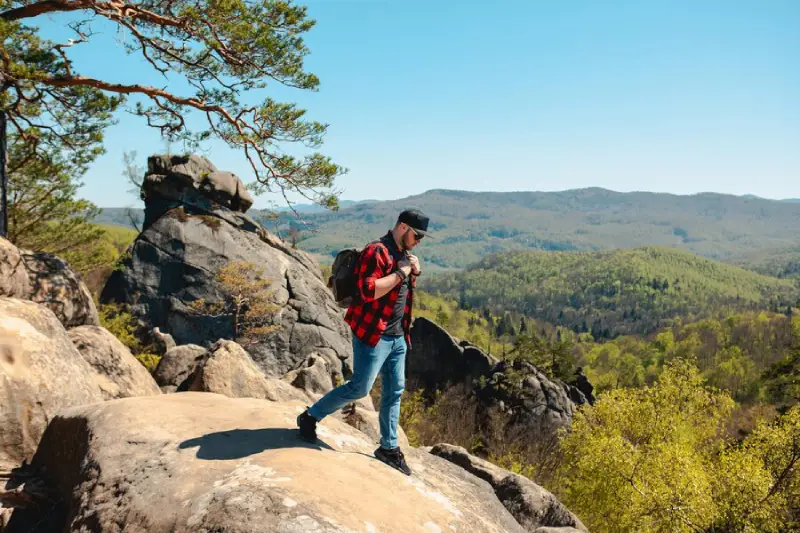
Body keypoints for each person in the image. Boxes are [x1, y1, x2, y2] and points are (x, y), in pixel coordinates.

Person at [296, 208, 431, 476]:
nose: (419, 242)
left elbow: (400, 290)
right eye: (417, 236)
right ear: (403, 228)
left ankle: (388, 448)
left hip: (397, 336)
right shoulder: (376, 251)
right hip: (373, 334)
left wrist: (414, 270)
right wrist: (402, 273)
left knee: (395, 390)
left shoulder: (403, 254)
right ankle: (310, 417)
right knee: (360, 388)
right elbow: (368, 291)